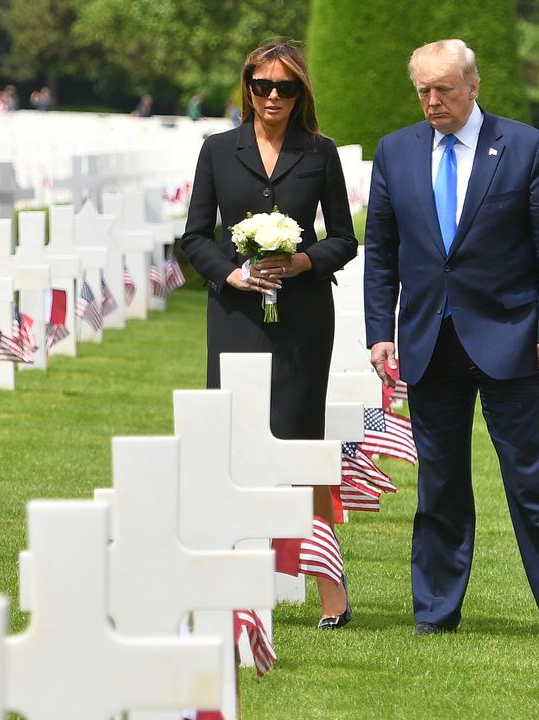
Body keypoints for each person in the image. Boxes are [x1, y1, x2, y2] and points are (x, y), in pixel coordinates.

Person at [363, 39, 539, 643]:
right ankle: (435, 612)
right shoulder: (396, 151)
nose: (432, 101)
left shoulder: (524, 147)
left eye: (443, 89)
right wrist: (378, 334)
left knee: (532, 476)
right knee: (438, 481)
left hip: (511, 338)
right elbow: (381, 254)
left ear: (474, 85)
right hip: (427, 341)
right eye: (423, 91)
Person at [180, 42, 359, 628]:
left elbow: (343, 239)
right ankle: (230, 577)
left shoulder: (320, 152)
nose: (273, 97)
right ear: (247, 88)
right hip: (235, 316)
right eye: (262, 86)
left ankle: (330, 589)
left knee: (301, 443)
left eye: (286, 88)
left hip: (304, 319)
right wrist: (232, 273)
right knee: (230, 441)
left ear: (301, 93)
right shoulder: (216, 151)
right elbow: (195, 237)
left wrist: (303, 262)